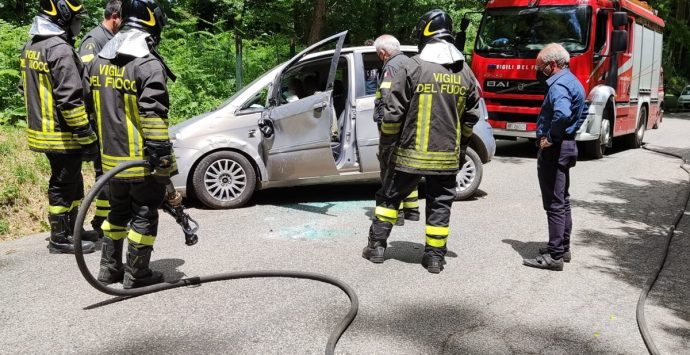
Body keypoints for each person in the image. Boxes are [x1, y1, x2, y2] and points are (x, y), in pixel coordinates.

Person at [362, 10, 481, 273]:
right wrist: (460, 149)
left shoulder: (412, 66)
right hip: (447, 158)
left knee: (390, 197)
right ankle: (434, 258)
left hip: (408, 155)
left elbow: (393, 114)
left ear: (425, 33)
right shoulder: (465, 73)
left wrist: (388, 145)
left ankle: (377, 247)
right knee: (440, 205)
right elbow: (471, 117)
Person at [85, 0, 177, 288]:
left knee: (116, 214)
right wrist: (164, 164)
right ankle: (137, 274)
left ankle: (109, 269)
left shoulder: (99, 61)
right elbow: (153, 119)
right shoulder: (148, 65)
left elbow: (88, 107)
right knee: (144, 216)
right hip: (140, 162)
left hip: (110, 161)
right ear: (152, 23)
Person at [19, 0, 100, 254]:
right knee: (63, 184)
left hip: (43, 129)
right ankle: (60, 237)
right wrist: (86, 134)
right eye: (76, 17)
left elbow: (24, 88)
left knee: (72, 181)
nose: (78, 23)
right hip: (61, 133)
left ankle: (74, 228)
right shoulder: (59, 49)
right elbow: (70, 100)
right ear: (63, 16)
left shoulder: (32, 46)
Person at [523, 43, 586, 271]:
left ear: (551, 65)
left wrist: (551, 137)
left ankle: (555, 255)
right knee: (563, 200)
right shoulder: (573, 81)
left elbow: (562, 113)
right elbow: (583, 111)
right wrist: (569, 131)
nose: (538, 71)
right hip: (567, 146)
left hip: (555, 149)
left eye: (539, 66)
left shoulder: (558, 86)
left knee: (554, 204)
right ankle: (563, 247)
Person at [78, 0, 122, 238]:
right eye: (123, 20)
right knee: (103, 169)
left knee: (109, 169)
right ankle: (101, 219)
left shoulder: (112, 39)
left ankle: (106, 216)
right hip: (98, 116)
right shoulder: (93, 41)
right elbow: (87, 82)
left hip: (111, 114)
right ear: (114, 16)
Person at [372, 34, 419, 226]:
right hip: (408, 125)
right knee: (405, 166)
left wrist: (384, 124)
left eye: (378, 54)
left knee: (389, 167)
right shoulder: (410, 62)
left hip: (394, 125)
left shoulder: (391, 66)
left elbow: (387, 98)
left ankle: (395, 214)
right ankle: (412, 210)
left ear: (383, 53)